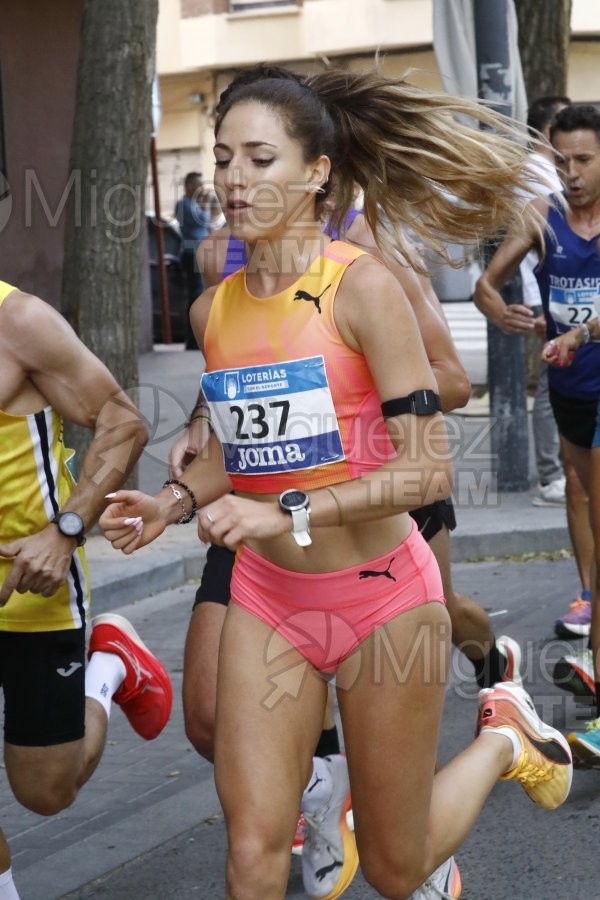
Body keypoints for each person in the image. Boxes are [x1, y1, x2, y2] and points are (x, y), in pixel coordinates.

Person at [101, 66, 572, 900]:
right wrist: (172, 501)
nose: (235, 181)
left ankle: (507, 737)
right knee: (251, 853)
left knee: (396, 868)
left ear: (317, 172)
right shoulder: (215, 312)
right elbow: (247, 456)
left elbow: (422, 470)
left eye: (259, 159)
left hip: (383, 598)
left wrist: (279, 508)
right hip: (269, 597)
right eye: (223, 160)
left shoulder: (364, 288)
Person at [0, 281, 173, 900]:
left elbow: (122, 422)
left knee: (46, 791)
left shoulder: (18, 321)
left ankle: (107, 669)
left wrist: (66, 531)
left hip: (31, 589)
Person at [475, 103, 600, 759]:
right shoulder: (542, 216)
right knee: (579, 499)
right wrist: (498, 307)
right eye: (562, 161)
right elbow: (485, 285)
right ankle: (589, 610)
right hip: (567, 384)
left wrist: (582, 331)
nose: (571, 173)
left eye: (584, 160)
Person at [175, 172, 212, 349]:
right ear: (189, 187)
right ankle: (192, 339)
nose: (202, 189)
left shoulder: (193, 204)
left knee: (200, 292)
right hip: (192, 254)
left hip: (199, 253)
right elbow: (203, 220)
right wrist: (204, 204)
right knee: (195, 295)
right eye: (198, 185)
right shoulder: (183, 205)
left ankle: (196, 337)